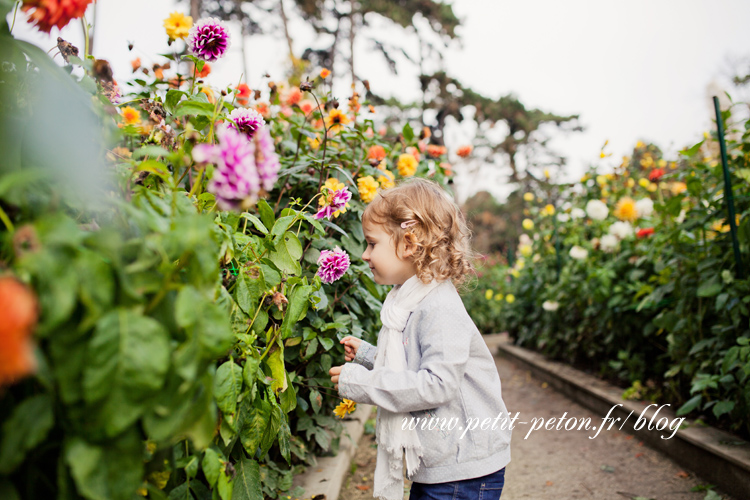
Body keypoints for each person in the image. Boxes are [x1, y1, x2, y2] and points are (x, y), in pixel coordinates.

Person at [329, 178, 512, 500]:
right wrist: (371, 357)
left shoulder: (439, 307)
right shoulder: (411, 300)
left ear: (409, 245)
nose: (363, 254)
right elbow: (417, 360)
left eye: (372, 243)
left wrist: (364, 384)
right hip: (446, 458)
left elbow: (437, 384)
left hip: (464, 466)